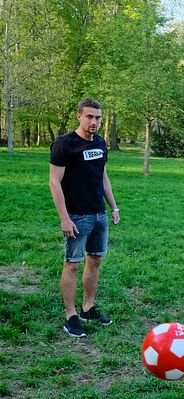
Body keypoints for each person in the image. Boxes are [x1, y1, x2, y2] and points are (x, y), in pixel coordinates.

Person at [49, 98, 119, 338]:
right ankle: (71, 317)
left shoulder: (100, 143)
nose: (94, 122)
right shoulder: (64, 144)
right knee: (72, 264)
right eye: (89, 116)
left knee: (95, 261)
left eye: (98, 117)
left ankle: (88, 307)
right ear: (79, 116)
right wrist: (64, 218)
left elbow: (103, 177)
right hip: (77, 216)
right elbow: (54, 182)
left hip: (99, 214)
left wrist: (113, 207)